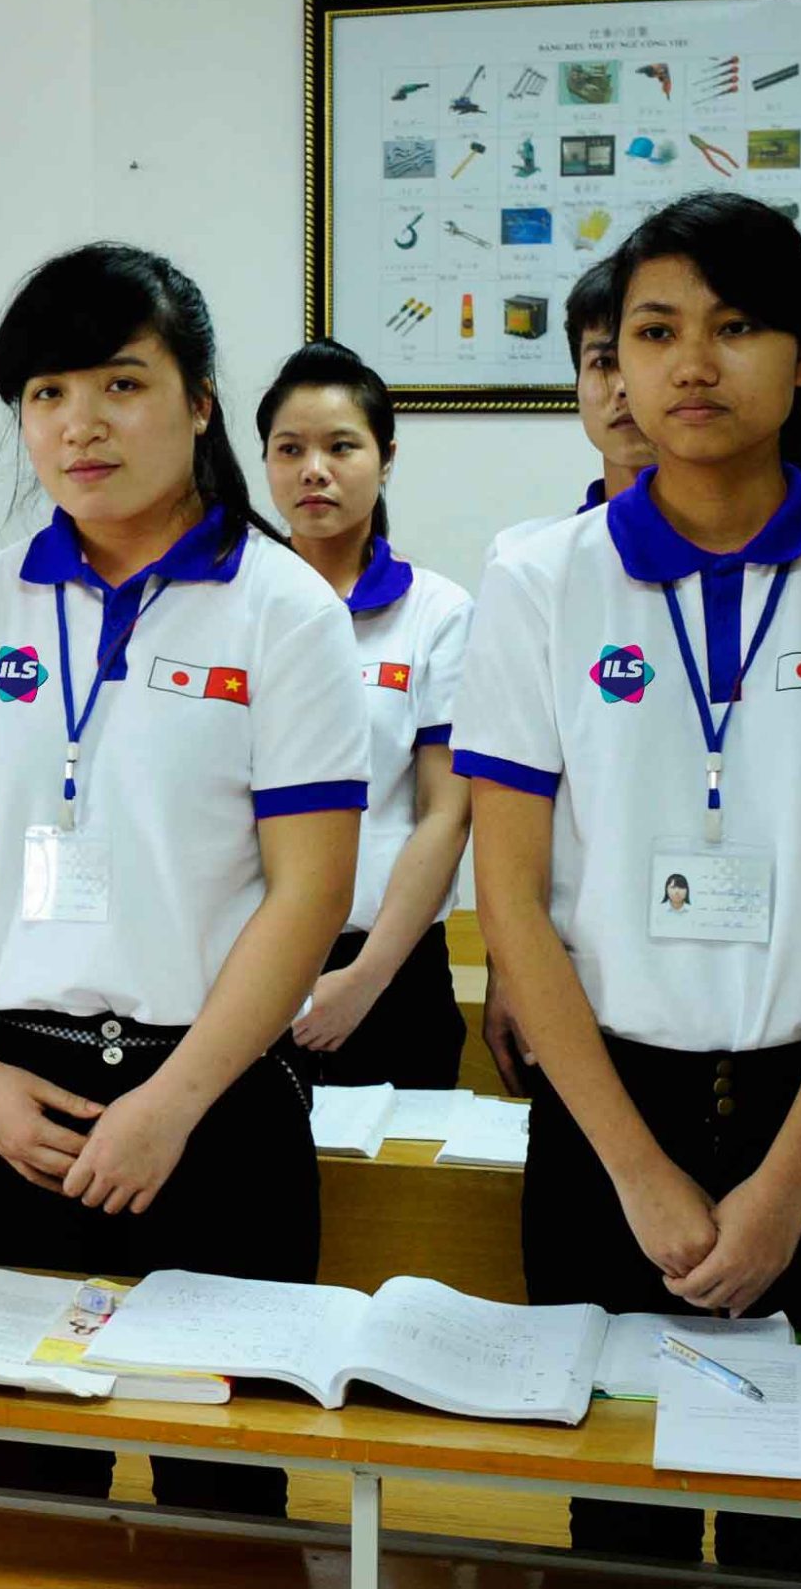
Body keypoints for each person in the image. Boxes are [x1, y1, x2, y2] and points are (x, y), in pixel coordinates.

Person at [456, 191, 801, 1577]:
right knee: (614, 1527)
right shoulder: (537, 580)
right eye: (655, 331)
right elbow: (510, 899)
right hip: (605, 1120)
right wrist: (639, 1175)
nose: (692, 363)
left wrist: (786, 1186)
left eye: (736, 326)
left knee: (792, 1533)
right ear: (613, 364)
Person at [0, 243, 366, 1514]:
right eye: (45, 393)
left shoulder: (282, 609)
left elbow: (310, 890)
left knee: (223, 1481)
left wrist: (173, 1102)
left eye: (119, 382)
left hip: (213, 1099)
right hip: (15, 1099)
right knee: (28, 1476)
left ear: (199, 400)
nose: (78, 424)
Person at [257, 341, 472, 1089]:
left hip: (391, 970)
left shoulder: (438, 613)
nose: (313, 469)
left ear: (385, 460)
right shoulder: (227, 607)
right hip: (241, 962)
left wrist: (366, 978)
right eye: (290, 449)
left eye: (341, 446)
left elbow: (446, 812)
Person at [480, 255, 662, 1093]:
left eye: (640, 353)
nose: (620, 387)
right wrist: (506, 965)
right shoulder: (527, 567)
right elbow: (516, 797)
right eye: (600, 361)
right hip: (576, 982)